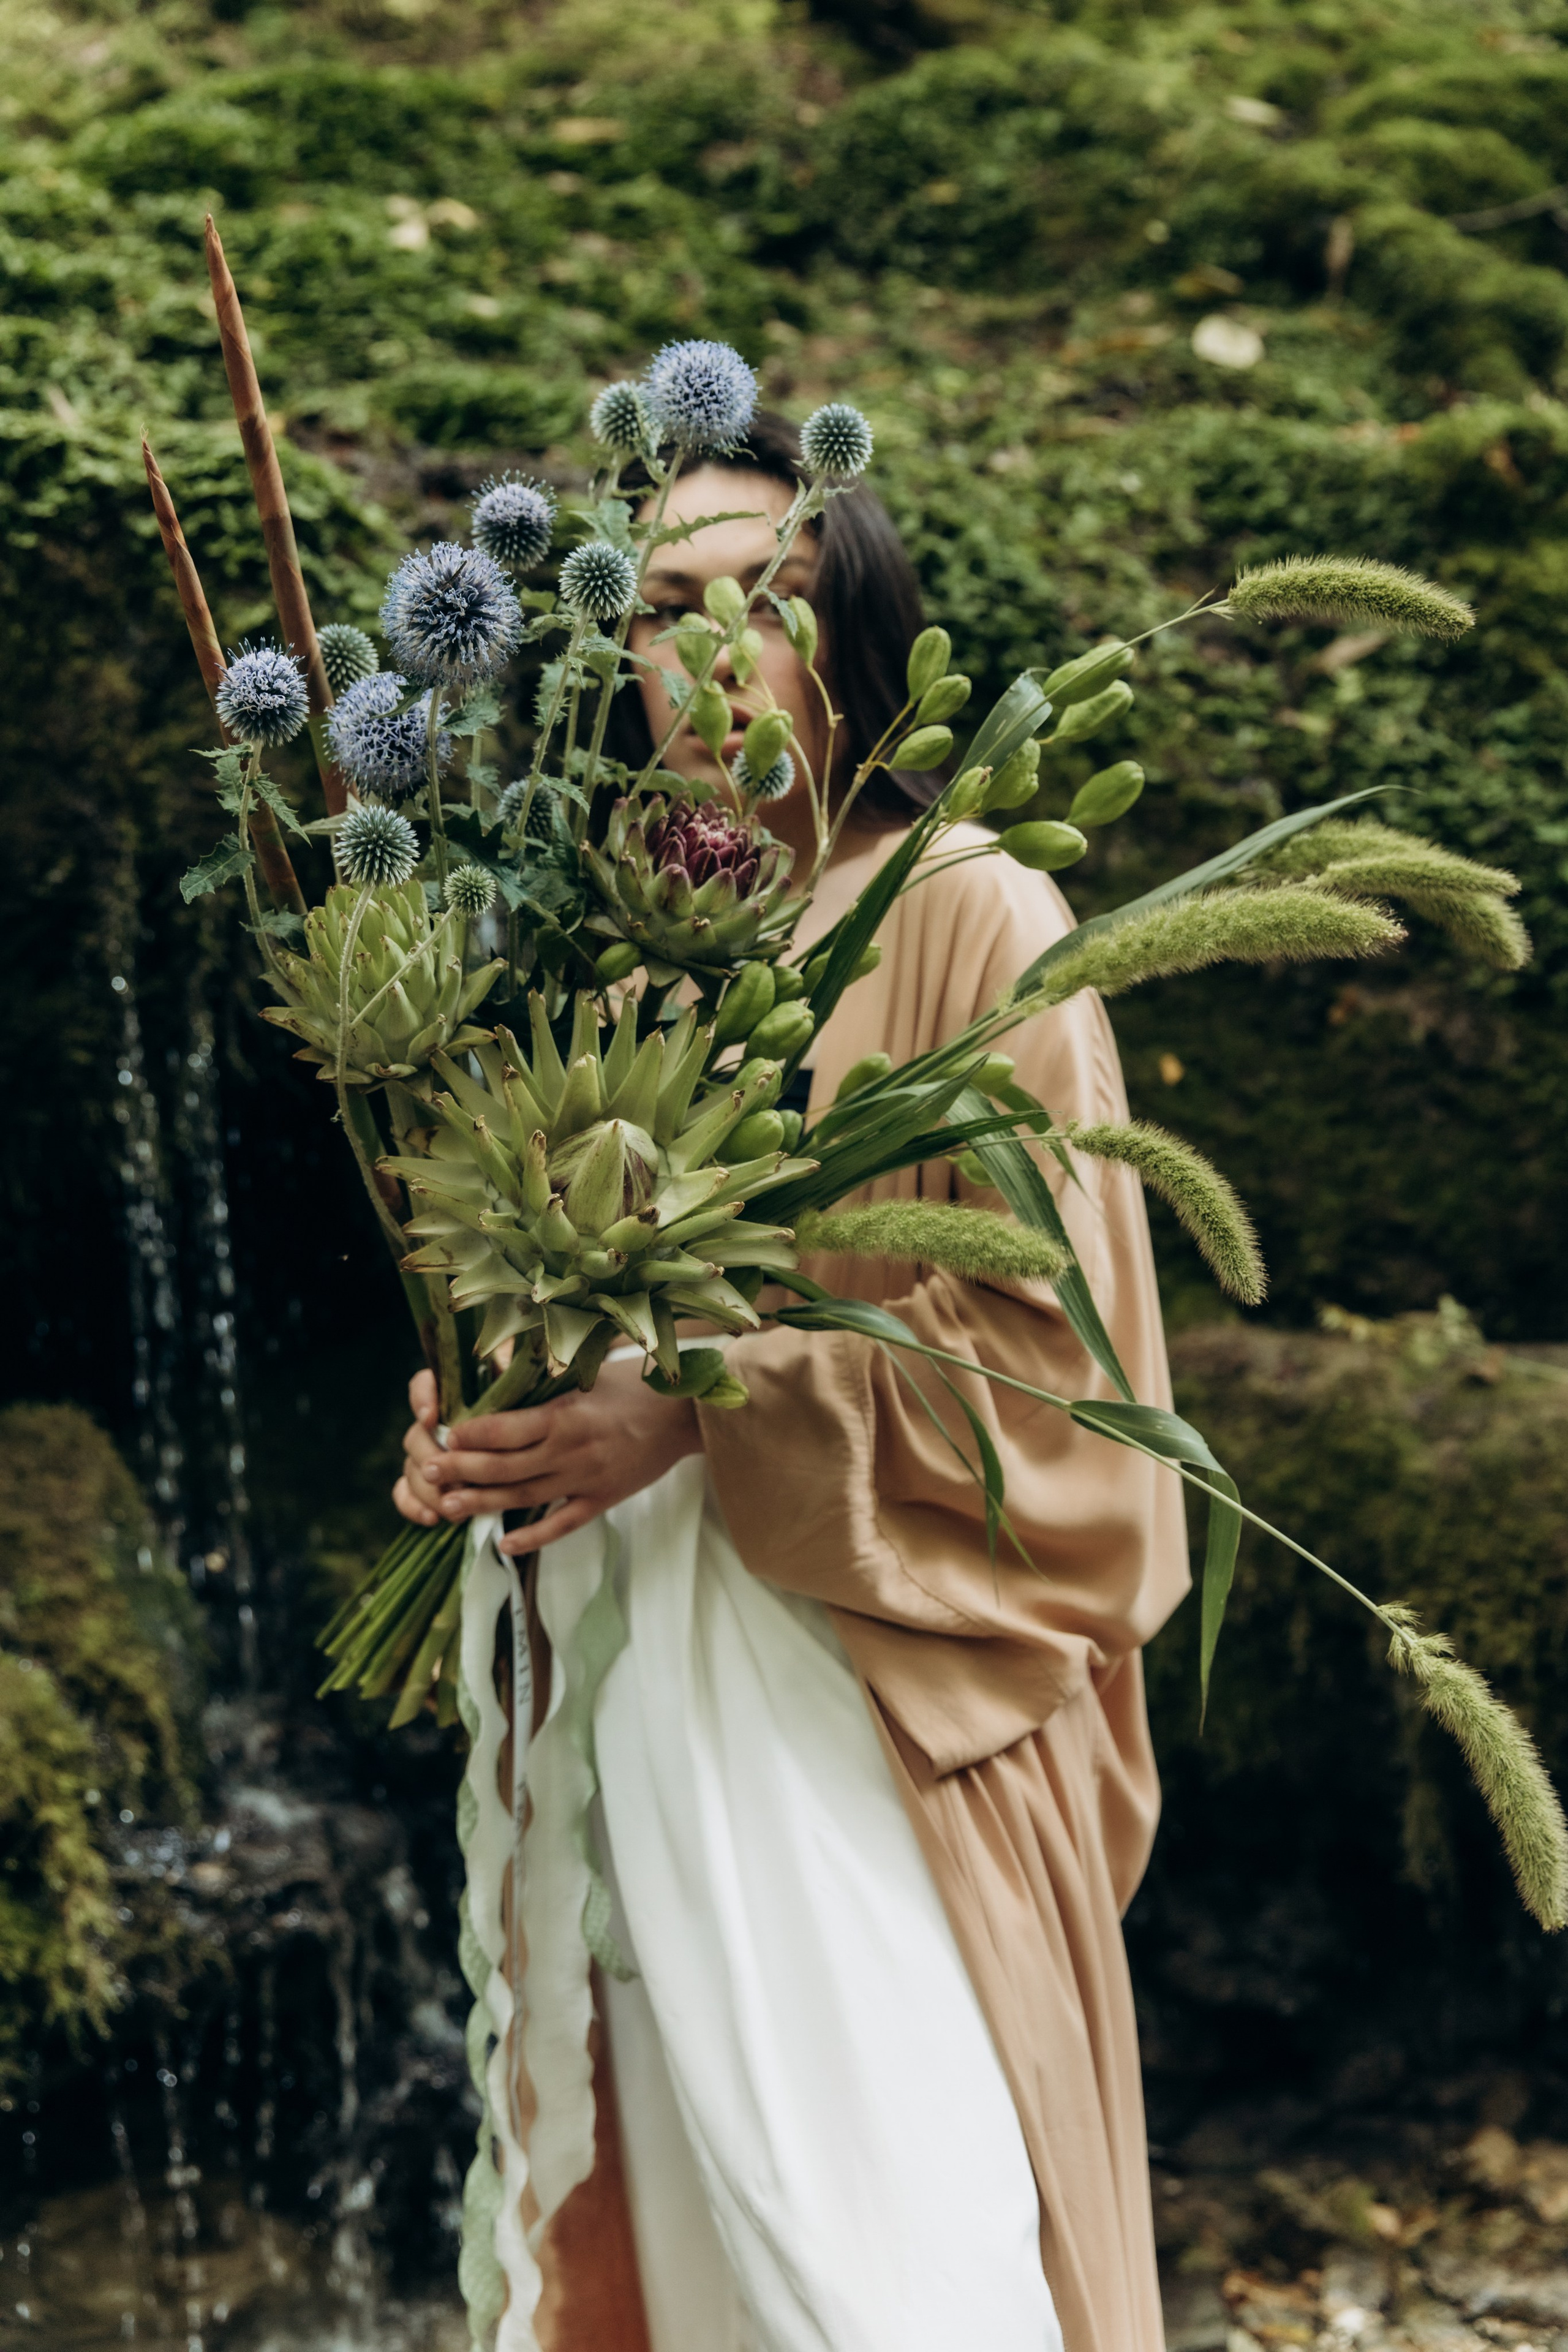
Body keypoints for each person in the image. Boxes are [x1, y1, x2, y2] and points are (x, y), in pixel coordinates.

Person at [393, 415, 1189, 2352]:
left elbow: (1062, 1394)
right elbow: (533, 1297)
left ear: (856, 627)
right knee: (688, 2247)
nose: (711, 648)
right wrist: (472, 1432)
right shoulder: (588, 950)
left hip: (861, 1690)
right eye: (661, 608)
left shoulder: (972, 912)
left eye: (769, 596)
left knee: (891, 2258)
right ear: (601, 650)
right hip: (619, 1672)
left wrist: (697, 1407)